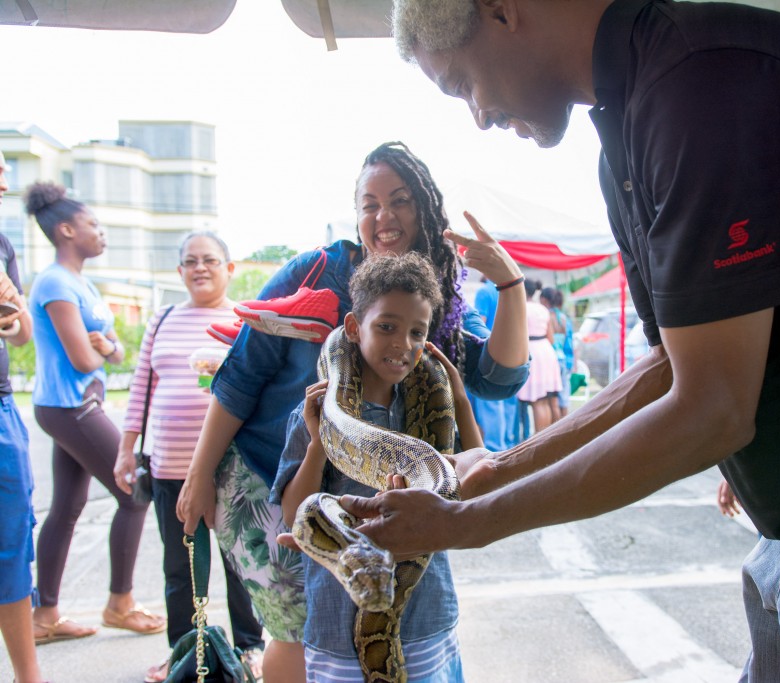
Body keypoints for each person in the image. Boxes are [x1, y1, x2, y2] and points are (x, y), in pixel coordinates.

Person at [338, 2, 780, 681]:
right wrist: (499, 467)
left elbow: (712, 408)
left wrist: (470, 522)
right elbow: (673, 363)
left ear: (502, 10)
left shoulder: (706, 76)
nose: (480, 115)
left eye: (463, 84)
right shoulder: (631, 126)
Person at [177, 141, 529, 682]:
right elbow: (242, 373)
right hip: (275, 470)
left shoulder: (432, 290)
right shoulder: (317, 270)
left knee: (378, 617)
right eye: (370, 204)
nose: (384, 216)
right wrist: (199, 473)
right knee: (296, 629)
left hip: (376, 484)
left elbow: (497, 377)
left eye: (400, 200)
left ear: (426, 209)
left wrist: (510, 285)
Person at [275, 252, 477, 682]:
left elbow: (475, 482)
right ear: (353, 328)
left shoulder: (427, 403)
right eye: (386, 327)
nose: (403, 343)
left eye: (417, 332)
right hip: (334, 625)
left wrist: (459, 400)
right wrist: (319, 441)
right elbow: (295, 516)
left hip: (428, 616)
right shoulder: (315, 414)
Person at [113, 232, 264, 683]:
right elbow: (141, 387)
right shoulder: (161, 319)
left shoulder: (245, 320)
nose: (200, 268)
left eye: (210, 260)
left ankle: (251, 647)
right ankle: (182, 648)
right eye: (191, 261)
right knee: (179, 568)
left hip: (231, 468)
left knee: (240, 564)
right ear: (179, 271)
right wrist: (125, 449)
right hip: (168, 467)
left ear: (229, 268)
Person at [25, 181, 167, 645]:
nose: (101, 232)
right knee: (134, 493)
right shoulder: (54, 283)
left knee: (68, 507)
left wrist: (104, 346)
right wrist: (102, 348)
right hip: (69, 406)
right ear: (67, 230)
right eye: (93, 224)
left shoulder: (81, 284)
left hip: (80, 405)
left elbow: (115, 348)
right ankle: (119, 604)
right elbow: (84, 358)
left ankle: (44, 616)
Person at [0, 153, 47, 683]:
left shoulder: (3, 245)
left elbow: (21, 332)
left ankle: (27, 675)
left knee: (12, 544)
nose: (4, 181)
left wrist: (13, 313)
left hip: (3, 408)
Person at [466, 276, 507, 450]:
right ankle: (503, 447)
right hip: (506, 354)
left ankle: (493, 451)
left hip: (487, 355)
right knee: (501, 409)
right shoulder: (504, 291)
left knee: (488, 408)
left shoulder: (484, 292)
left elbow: (478, 324)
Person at [516, 279, 562, 432]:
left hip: (533, 352)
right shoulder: (542, 309)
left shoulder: (521, 308)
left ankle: (539, 438)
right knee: (546, 400)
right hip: (547, 351)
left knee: (538, 401)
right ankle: (546, 437)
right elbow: (551, 338)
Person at [540, 287, 573, 421]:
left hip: (550, 360)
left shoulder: (545, 317)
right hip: (563, 360)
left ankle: (554, 429)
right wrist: (570, 363)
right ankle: (565, 428)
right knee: (563, 399)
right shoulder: (564, 319)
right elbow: (569, 344)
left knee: (551, 401)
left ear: (544, 300)